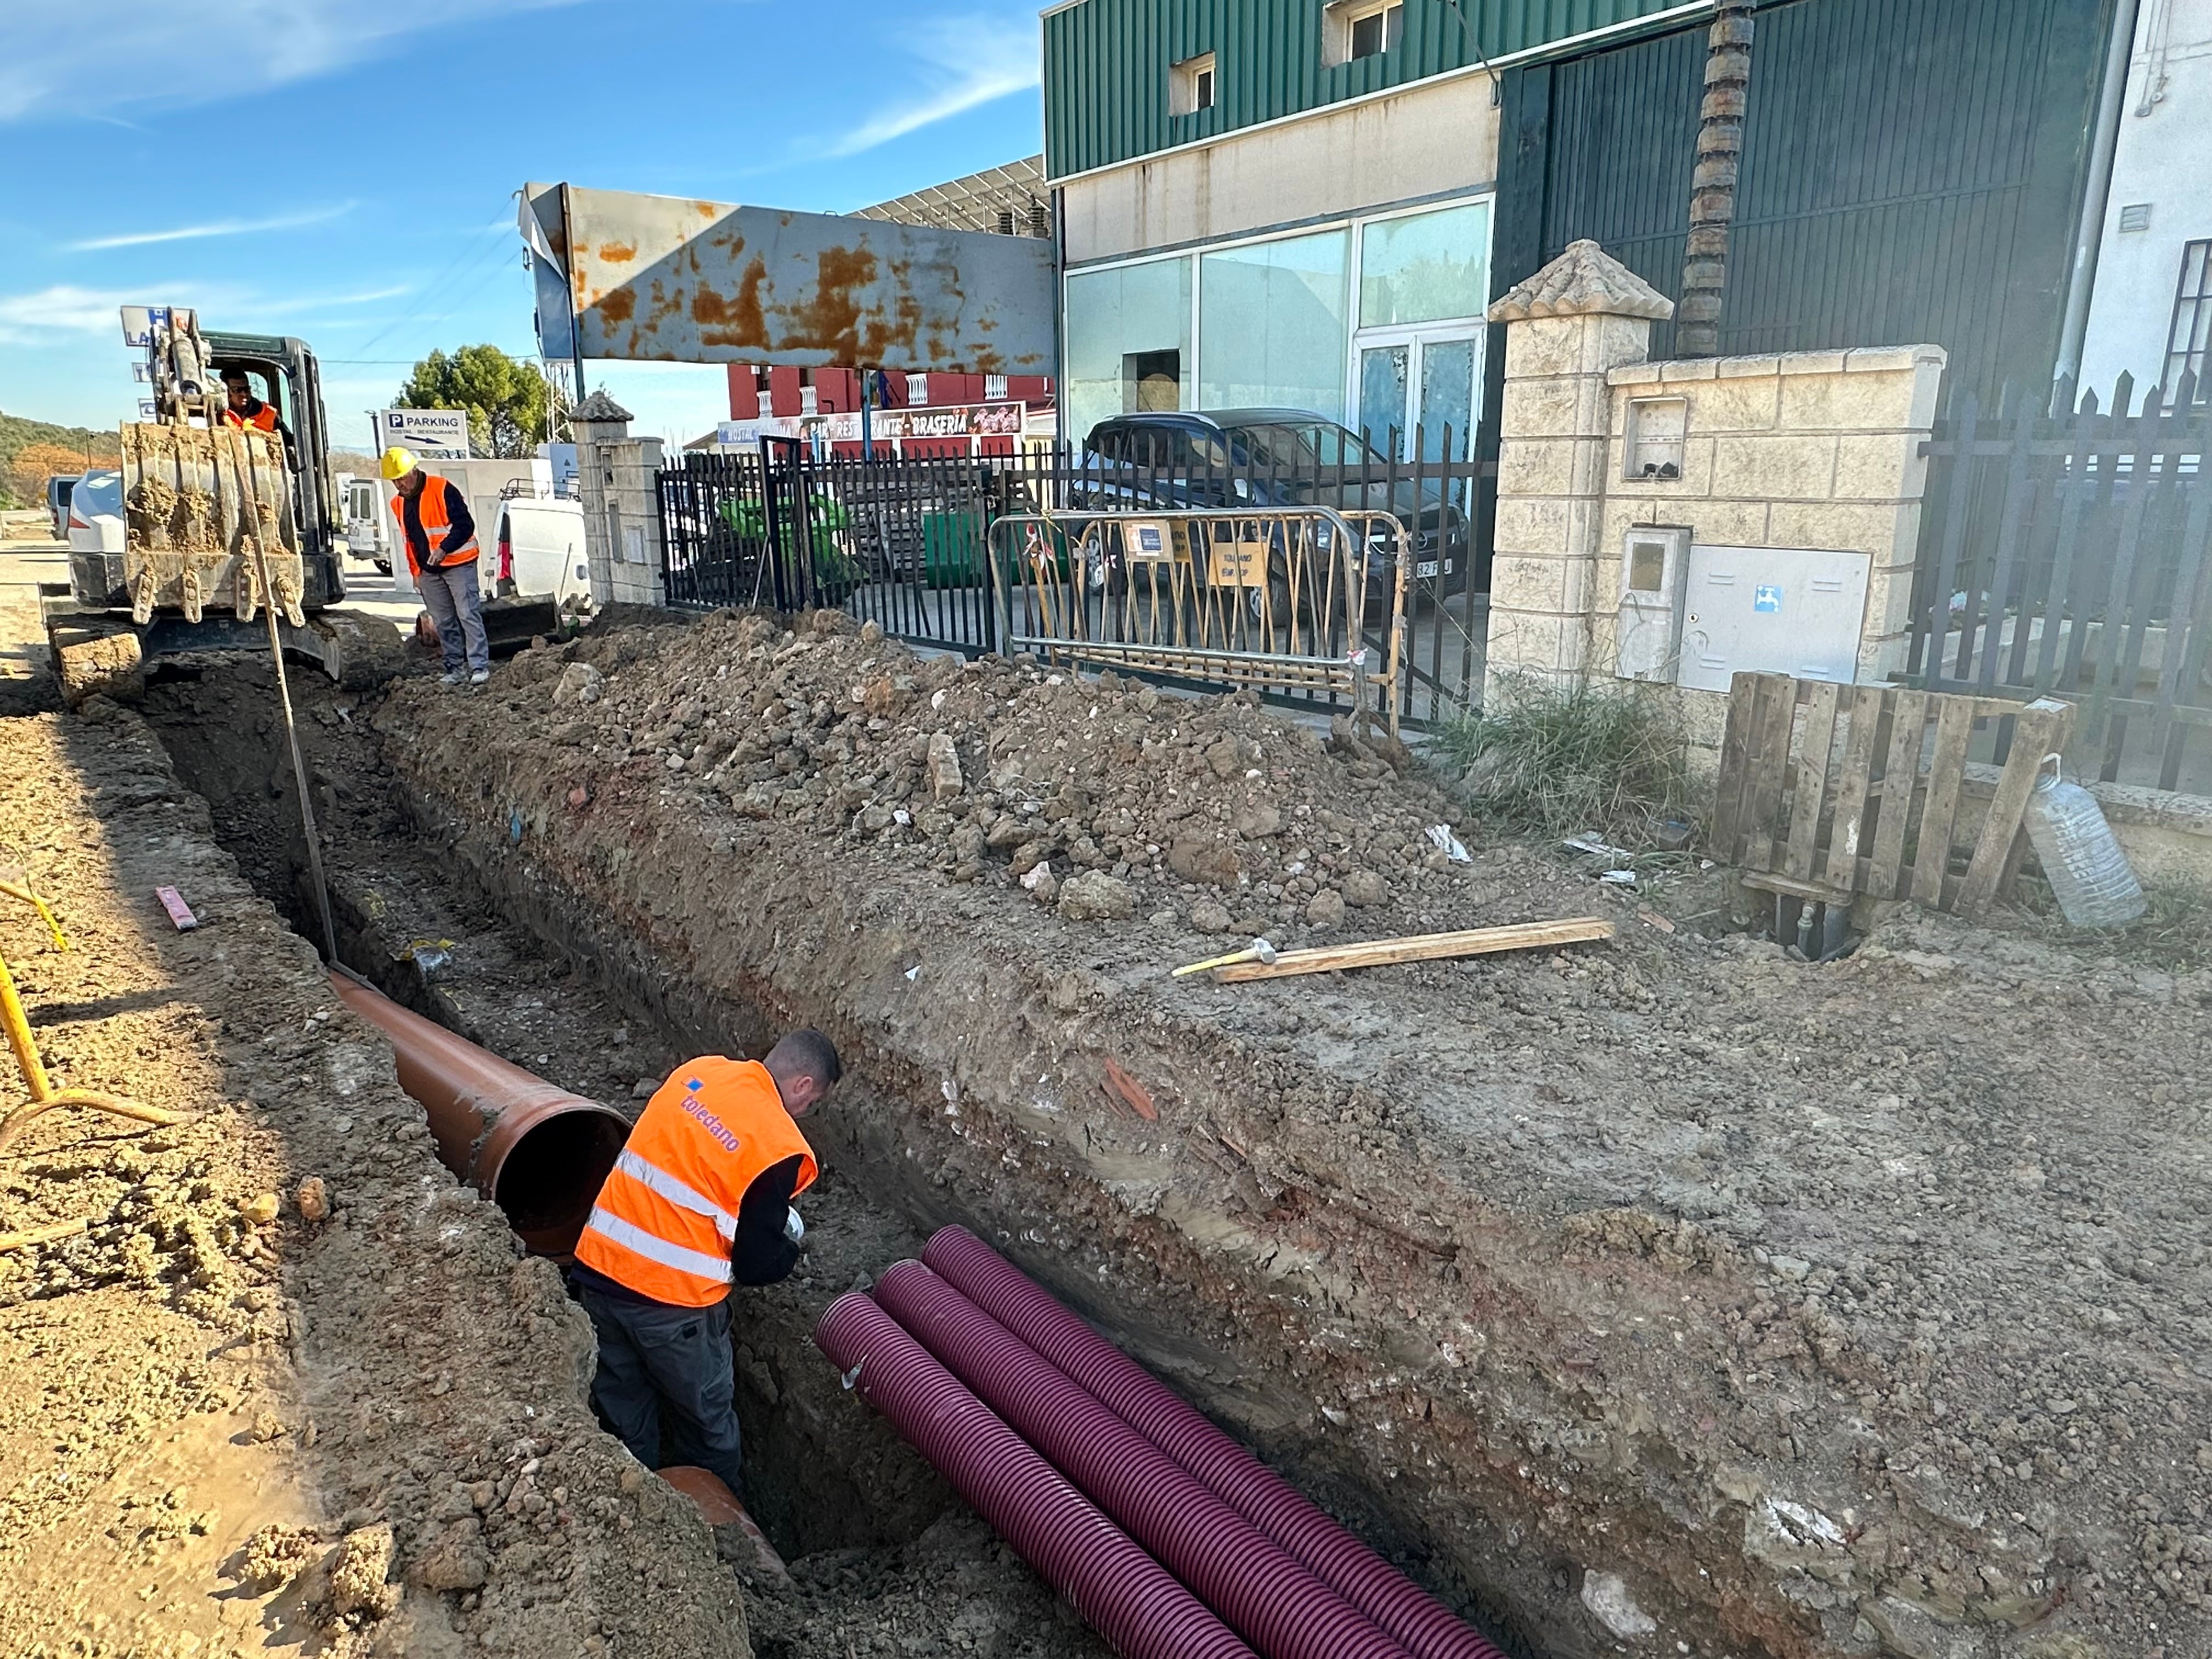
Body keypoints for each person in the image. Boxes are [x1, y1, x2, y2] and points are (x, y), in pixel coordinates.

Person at [571, 1031, 840, 1499]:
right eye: (811, 1102)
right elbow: (755, 1264)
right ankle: (723, 1527)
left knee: (625, 1412)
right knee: (707, 1423)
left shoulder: (699, 1073)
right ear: (802, 1085)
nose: (804, 1114)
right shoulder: (774, 1142)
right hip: (673, 1310)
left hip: (598, 1275)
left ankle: (636, 1507)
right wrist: (788, 1252)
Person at [381, 445, 489, 686]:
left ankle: (479, 666)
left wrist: (444, 549)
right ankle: (454, 668)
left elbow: (465, 525)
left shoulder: (441, 489)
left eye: (402, 479)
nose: (400, 486)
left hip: (458, 563)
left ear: (414, 471)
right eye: (394, 482)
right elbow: (409, 540)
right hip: (428, 571)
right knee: (443, 621)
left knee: (467, 614)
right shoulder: (398, 504)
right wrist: (416, 573)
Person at [218, 368, 285, 435]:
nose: (244, 394)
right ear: (225, 391)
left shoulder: (269, 413)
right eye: (237, 389)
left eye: (246, 389)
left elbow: (290, 442)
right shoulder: (218, 415)